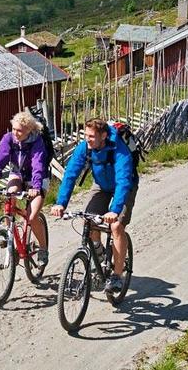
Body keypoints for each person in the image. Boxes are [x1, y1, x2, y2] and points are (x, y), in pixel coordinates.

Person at [51, 118, 137, 293]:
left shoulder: (119, 150)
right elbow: (70, 175)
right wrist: (61, 203)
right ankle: (99, 252)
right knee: (88, 221)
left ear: (104, 136)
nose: (87, 139)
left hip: (125, 187)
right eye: (85, 135)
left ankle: (117, 276)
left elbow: (123, 180)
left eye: (91, 136)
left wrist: (115, 210)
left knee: (116, 225)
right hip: (101, 185)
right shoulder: (85, 148)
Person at [0, 110, 50, 266]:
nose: (16, 133)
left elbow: (38, 165)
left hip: (37, 178)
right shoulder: (8, 139)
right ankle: (10, 239)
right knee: (9, 195)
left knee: (31, 216)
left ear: (29, 130)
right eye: (14, 129)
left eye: (20, 131)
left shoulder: (37, 142)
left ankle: (43, 249)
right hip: (17, 173)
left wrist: (35, 186)